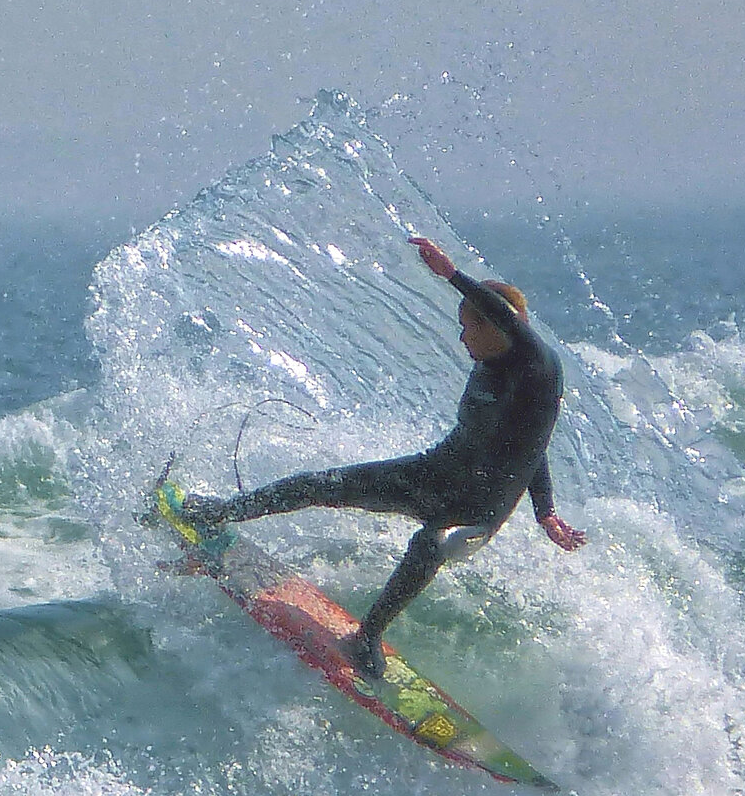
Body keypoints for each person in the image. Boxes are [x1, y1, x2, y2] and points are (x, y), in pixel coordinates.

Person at [182, 236, 587, 680]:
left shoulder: (539, 368)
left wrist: (450, 273)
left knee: (430, 546)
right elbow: (531, 443)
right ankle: (221, 511)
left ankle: (368, 637)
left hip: (477, 512)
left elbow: (531, 442)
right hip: (433, 475)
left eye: (469, 326)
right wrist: (547, 513)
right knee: (319, 484)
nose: (462, 336)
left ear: (497, 327)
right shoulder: (489, 366)